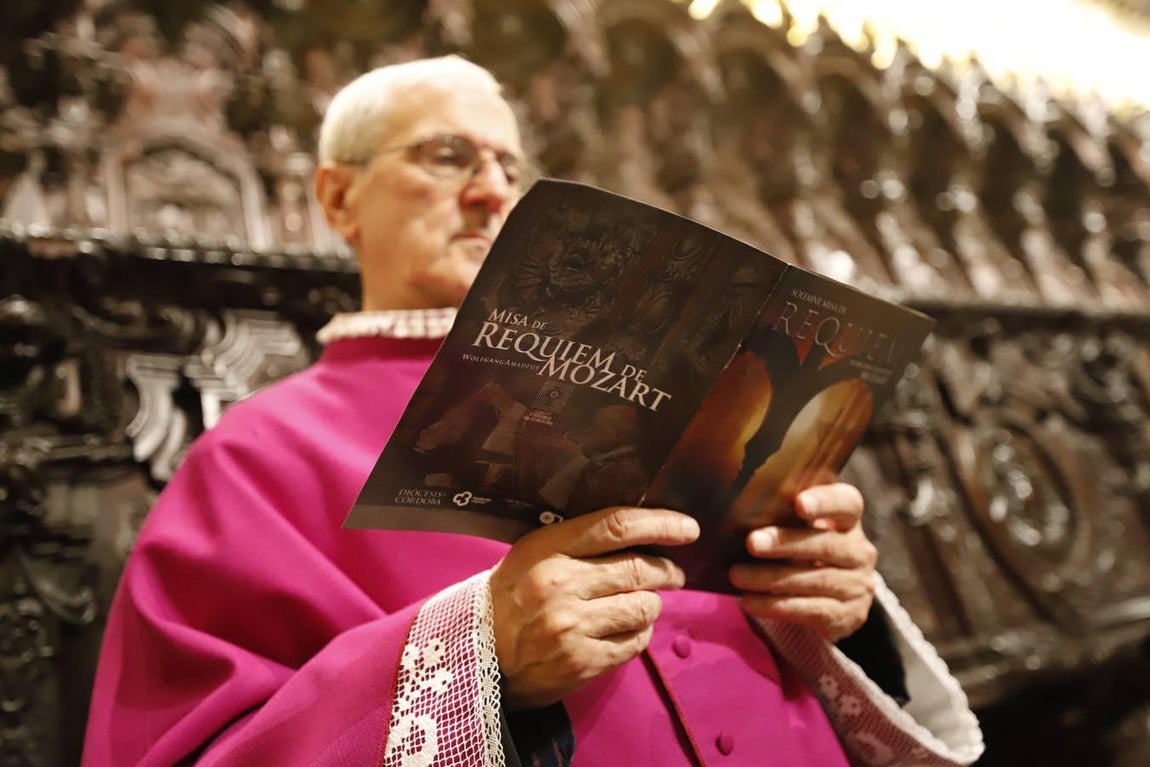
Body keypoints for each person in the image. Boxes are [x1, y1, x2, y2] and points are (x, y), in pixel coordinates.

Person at [82, 56, 984, 766]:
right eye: (445, 156)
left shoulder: (680, 395)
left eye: (509, 167)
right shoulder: (253, 455)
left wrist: (833, 606)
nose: (491, 191)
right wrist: (481, 651)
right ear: (339, 197)